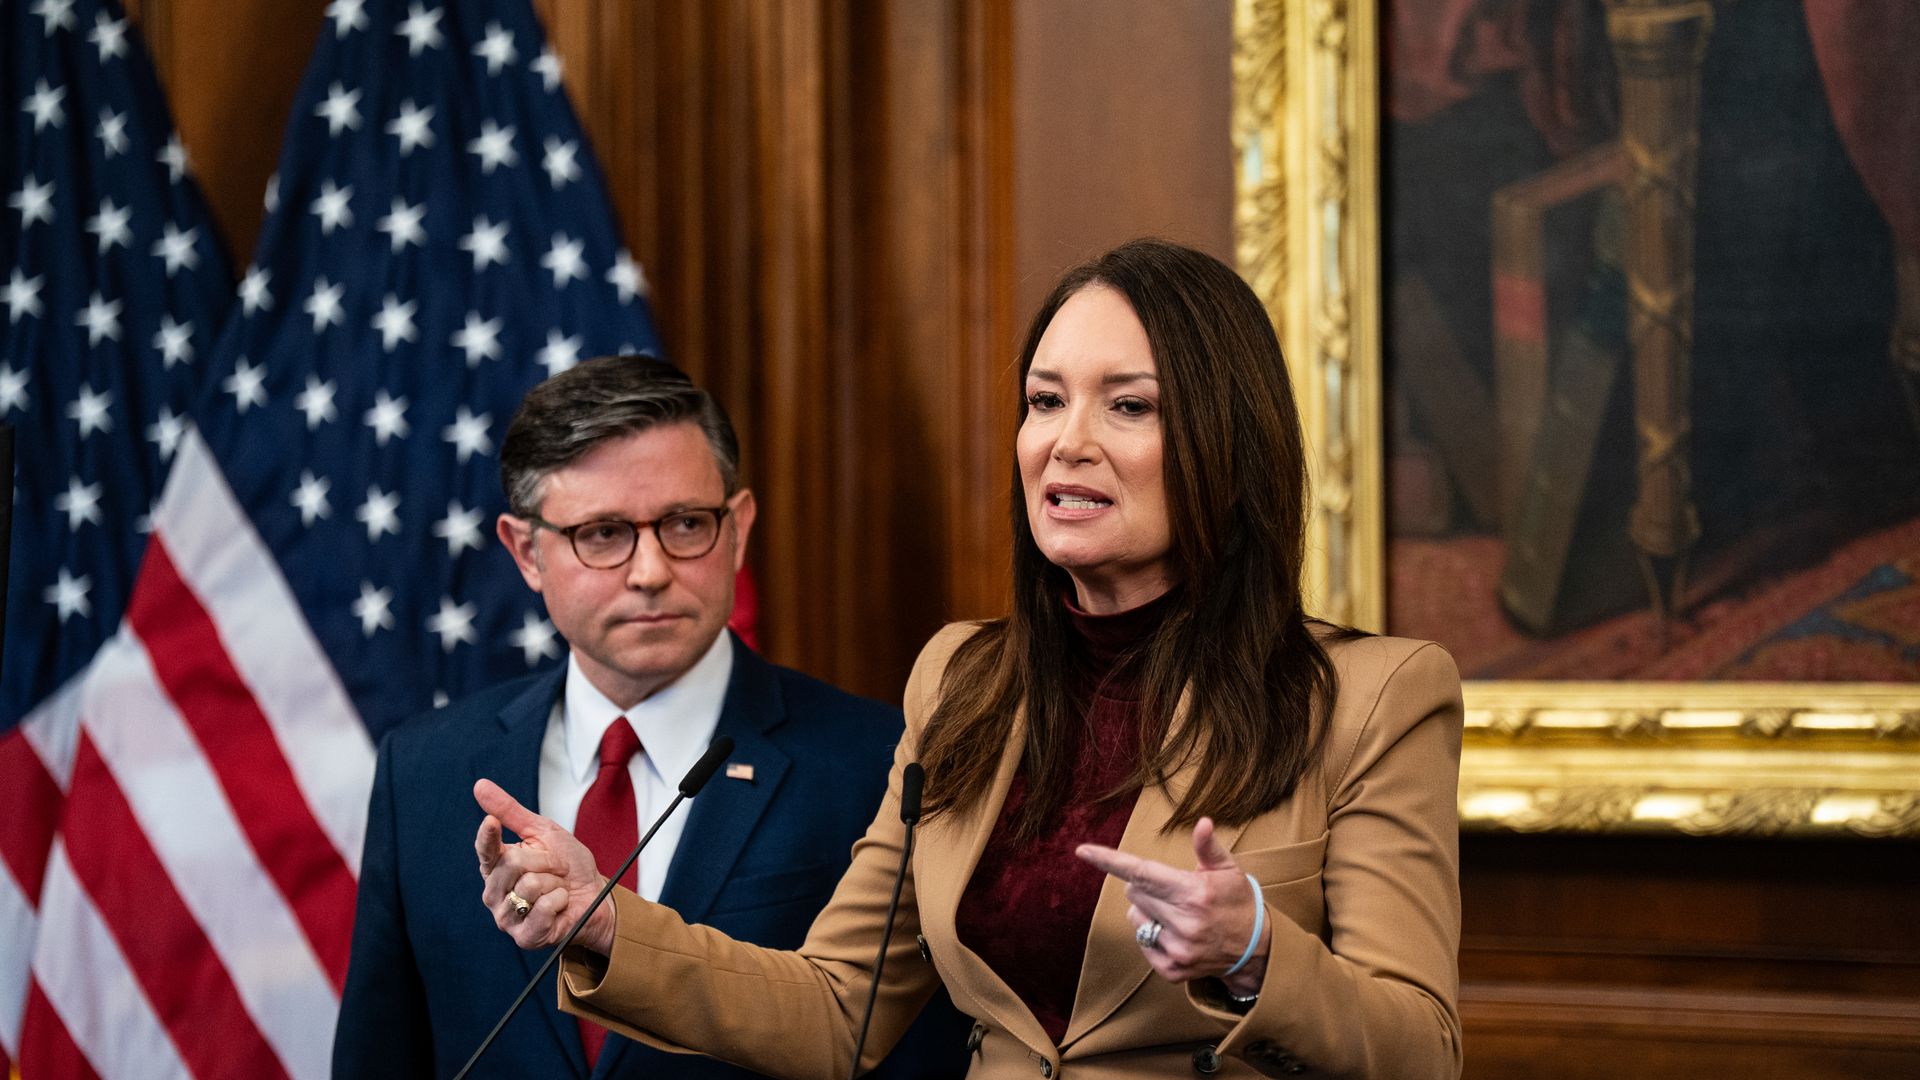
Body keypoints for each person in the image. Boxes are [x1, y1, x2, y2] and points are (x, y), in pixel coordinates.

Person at [472, 241, 1466, 1079]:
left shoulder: (1375, 697)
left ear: (1224, 441)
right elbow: (835, 1007)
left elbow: (1422, 1047)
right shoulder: (964, 680)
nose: (1065, 444)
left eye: (1128, 407)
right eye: (1044, 401)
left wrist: (1255, 953)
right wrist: (605, 922)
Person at [333, 357, 967, 1079]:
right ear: (526, 551)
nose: (651, 570)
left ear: (739, 529)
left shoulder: (875, 763)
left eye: (686, 523)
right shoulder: (424, 771)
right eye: (603, 534)